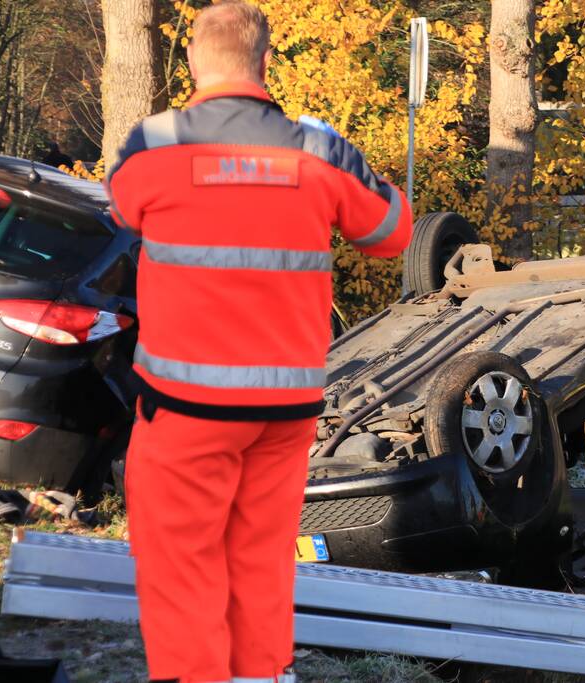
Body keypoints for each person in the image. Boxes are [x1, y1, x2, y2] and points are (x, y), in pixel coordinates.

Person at [104, 2, 412, 681]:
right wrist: (346, 156)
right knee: (262, 556)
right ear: (266, 62)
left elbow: (118, 208)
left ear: (192, 64)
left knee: (180, 562)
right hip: (284, 409)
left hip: (185, 406)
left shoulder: (155, 144)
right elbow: (392, 230)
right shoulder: (318, 149)